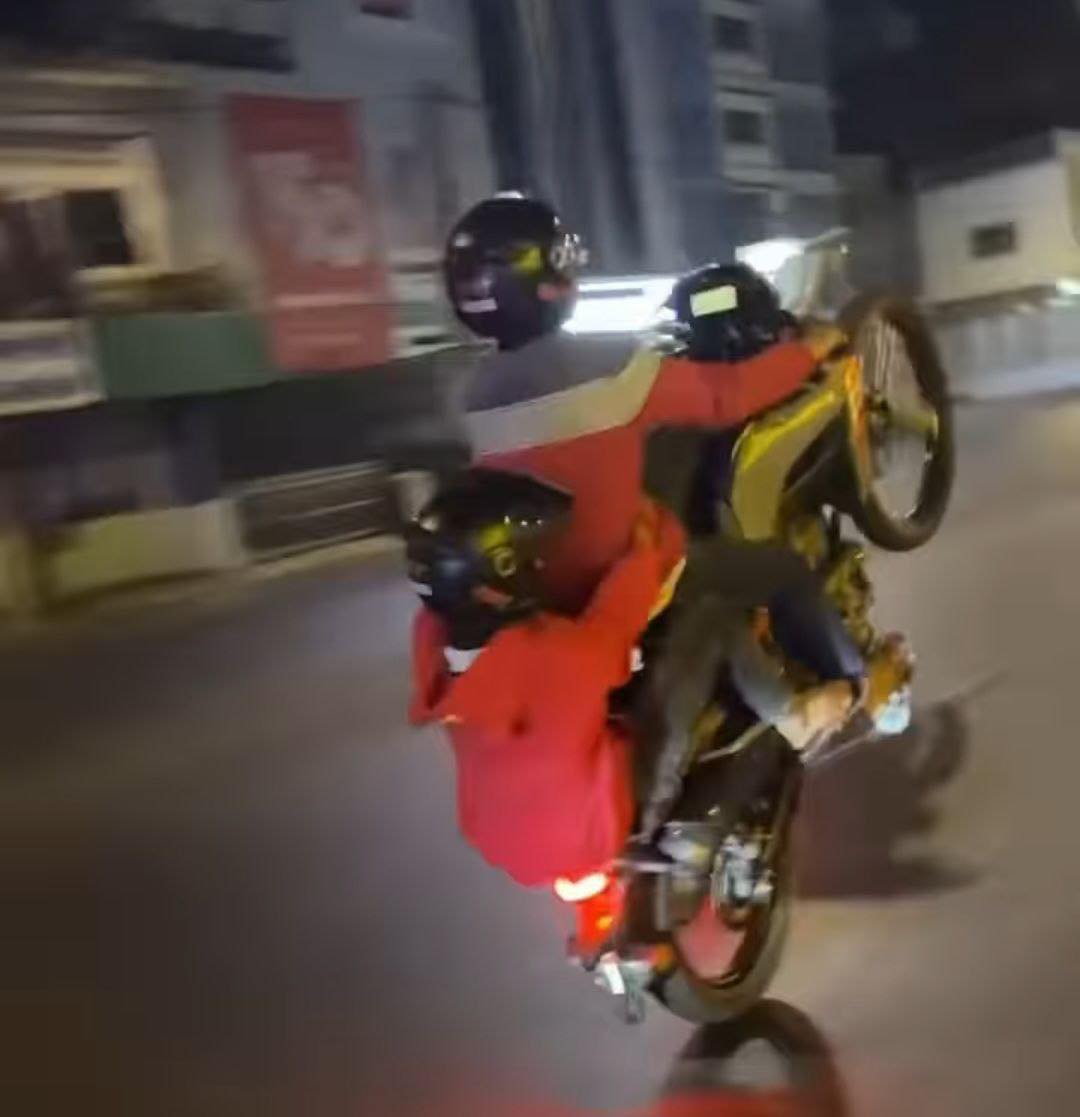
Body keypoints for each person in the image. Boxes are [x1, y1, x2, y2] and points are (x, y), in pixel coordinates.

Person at [410, 193, 907, 878]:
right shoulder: (612, 367)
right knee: (775, 571)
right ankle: (858, 685)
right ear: (550, 279)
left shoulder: (470, 396)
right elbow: (728, 396)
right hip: (622, 586)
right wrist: (806, 349)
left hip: (541, 591)